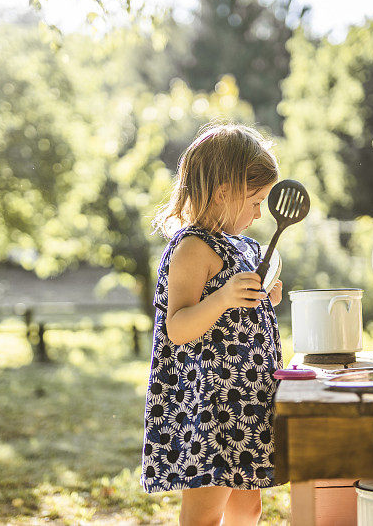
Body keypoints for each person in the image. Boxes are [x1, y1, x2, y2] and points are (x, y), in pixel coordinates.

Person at [141, 122, 283, 526]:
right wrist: (223, 298)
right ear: (223, 193)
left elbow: (239, 309)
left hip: (246, 399)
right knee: (206, 508)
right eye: (255, 202)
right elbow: (179, 326)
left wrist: (263, 299)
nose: (260, 213)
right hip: (211, 405)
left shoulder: (241, 245)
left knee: (248, 505)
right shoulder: (192, 248)